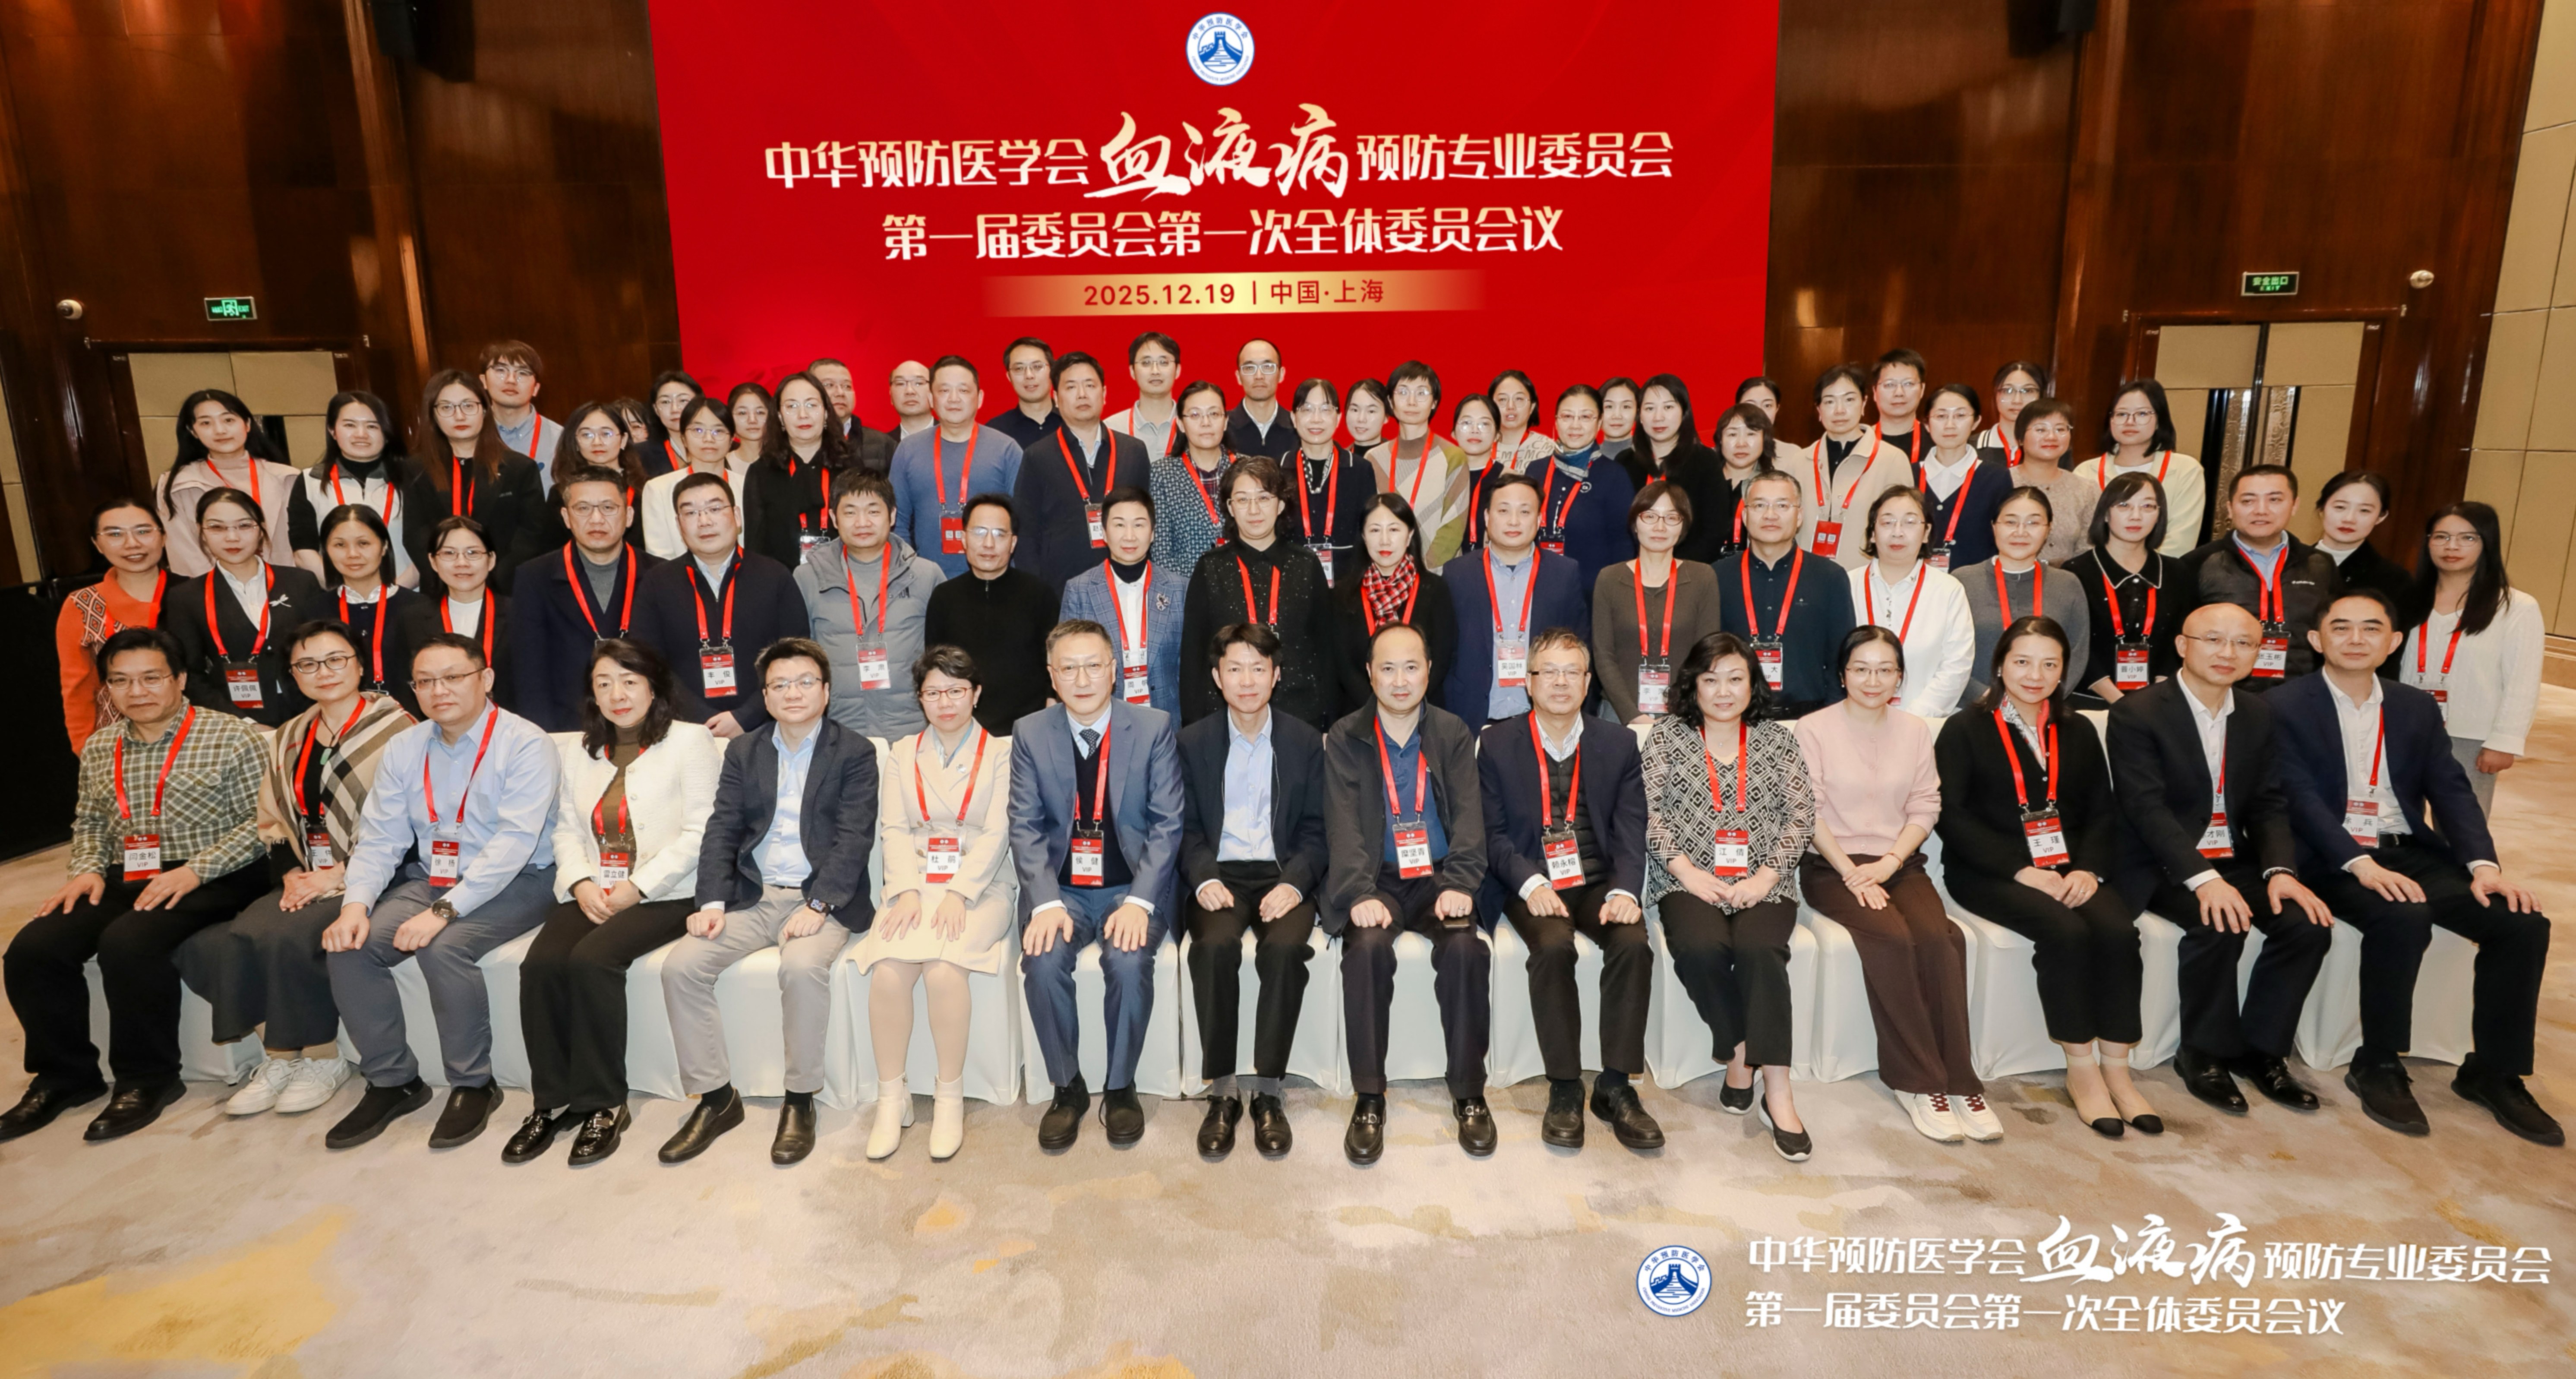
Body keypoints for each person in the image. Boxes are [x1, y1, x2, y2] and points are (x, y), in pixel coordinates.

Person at [2275, 591, 2558, 1143]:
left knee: (2521, 923)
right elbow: (2298, 798)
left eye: (2370, 628)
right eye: (2341, 627)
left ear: (2394, 641)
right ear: (2315, 639)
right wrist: (2359, 863)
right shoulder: (2282, 705)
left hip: (2405, 848)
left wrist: (2482, 864)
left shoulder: (2414, 706)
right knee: (2402, 914)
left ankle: (2493, 1071)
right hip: (2328, 856)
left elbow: (2450, 790)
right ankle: (2378, 1061)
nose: (2355, 638)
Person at [0, 628, 269, 1142]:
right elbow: (90, 822)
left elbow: (261, 824)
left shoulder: (232, 735)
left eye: (151, 677)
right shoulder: (101, 745)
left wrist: (196, 869)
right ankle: (64, 1076)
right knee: (34, 948)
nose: (137, 691)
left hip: (216, 872)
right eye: (121, 681)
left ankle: (148, 1078)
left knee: (128, 941)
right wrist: (86, 869)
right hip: (129, 872)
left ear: (180, 679)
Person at [318, 632, 561, 1149]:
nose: (439, 690)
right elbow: (380, 837)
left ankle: (473, 1084)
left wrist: (444, 910)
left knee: (443, 945)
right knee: (350, 945)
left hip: (523, 878)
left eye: (453, 677)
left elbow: (514, 843)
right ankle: (393, 1082)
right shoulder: (405, 747)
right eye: (425, 681)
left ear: (485, 679)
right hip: (432, 877)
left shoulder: (525, 742)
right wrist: (355, 905)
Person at [2106, 603, 2334, 1116]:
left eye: (2242, 642)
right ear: (2182, 645)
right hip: (2163, 861)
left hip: (2233, 856)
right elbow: (2146, 808)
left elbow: (2268, 802)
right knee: (2219, 920)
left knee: (2305, 924)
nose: (2227, 652)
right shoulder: (2137, 712)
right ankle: (2202, 1053)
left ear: (2258, 653)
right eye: (2212, 639)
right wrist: (2203, 878)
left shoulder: (2258, 713)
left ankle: (2263, 1051)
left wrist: (2280, 871)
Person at [177, 620, 410, 1120]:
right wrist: (290, 873)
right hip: (309, 873)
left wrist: (340, 874)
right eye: (307, 663)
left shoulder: (401, 729)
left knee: (290, 936)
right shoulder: (288, 735)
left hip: (381, 873)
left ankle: (323, 1059)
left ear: (360, 664)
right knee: (236, 936)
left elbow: (413, 823)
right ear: (293, 674)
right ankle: (281, 1059)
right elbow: (273, 820)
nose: (323, 672)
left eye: (336, 659)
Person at [657, 639, 876, 1166]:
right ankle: (716, 1099)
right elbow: (722, 829)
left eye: (805, 682)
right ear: (766, 694)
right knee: (681, 966)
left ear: (826, 691)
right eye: (780, 684)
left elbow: (853, 838)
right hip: (753, 897)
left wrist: (818, 905)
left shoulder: (854, 751)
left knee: (800, 968)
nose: (793, 692)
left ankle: (799, 1099)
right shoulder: (743, 751)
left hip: (819, 898)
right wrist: (711, 900)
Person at [1932, 616, 2153, 1136]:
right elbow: (1952, 816)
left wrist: (2089, 869)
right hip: (1990, 870)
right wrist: (2020, 870)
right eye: (2022, 662)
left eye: (2049, 664)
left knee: (2119, 930)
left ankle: (2117, 1069)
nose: (2035, 675)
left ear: (2064, 671)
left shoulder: (2078, 729)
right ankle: (2081, 1068)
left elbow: (2101, 810)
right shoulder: (1964, 728)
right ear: (2000, 665)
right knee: (2066, 931)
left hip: (2069, 868)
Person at [506, 639, 719, 1166]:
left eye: (629, 681)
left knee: (592, 959)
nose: (617, 694)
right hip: (596, 886)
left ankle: (604, 1102)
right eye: (604, 683)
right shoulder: (582, 749)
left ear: (653, 686)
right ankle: (551, 1101)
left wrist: (638, 886)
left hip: (668, 890)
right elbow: (565, 829)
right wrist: (580, 882)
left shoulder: (690, 741)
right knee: (541, 964)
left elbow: (701, 831)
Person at [1802, 628, 1992, 1143]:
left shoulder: (1914, 730)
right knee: (1891, 936)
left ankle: (1960, 1080)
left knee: (1941, 938)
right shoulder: (1812, 729)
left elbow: (1925, 805)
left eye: (1885, 669)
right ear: (1842, 674)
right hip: (1831, 866)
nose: (1873, 679)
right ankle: (1918, 1081)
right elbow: (1808, 812)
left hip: (1899, 862)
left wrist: (1889, 862)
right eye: (1861, 668)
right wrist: (1851, 871)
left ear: (1900, 678)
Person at [1479, 629, 1662, 1151]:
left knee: (1632, 943)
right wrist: (1530, 882)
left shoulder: (1617, 743)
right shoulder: (1497, 742)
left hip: (1597, 879)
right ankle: (1564, 1084)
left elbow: (1630, 828)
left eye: (1571, 672)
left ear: (1588, 682)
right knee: (1553, 946)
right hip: (1531, 879)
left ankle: (1615, 1084)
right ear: (1528, 681)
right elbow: (1492, 835)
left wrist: (1625, 890)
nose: (1560, 682)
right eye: (1549, 672)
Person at [1011, 619, 1185, 1151]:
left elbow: (1167, 824)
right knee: (1042, 962)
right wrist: (1044, 903)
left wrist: (1140, 901)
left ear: (1114, 670)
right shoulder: (1030, 732)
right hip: (1060, 890)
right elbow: (1025, 826)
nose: (1082, 679)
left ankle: (1121, 1084)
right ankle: (1067, 1087)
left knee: (1128, 961)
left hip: (1130, 885)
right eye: (1069, 668)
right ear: (1052, 675)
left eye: (1093, 665)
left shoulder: (1153, 726)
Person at [1641, 631, 1814, 1161]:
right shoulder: (1666, 737)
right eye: (1710, 679)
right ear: (1692, 685)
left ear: (1752, 683)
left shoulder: (1777, 739)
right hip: (1686, 879)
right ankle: (1739, 1051)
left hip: (1765, 879)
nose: (1723, 691)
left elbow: (1801, 816)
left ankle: (1777, 1091)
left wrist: (1764, 877)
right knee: (1700, 947)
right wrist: (1687, 872)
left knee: (1761, 950)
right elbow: (1647, 813)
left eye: (1735, 678)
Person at [1323, 621, 1492, 1162]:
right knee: (1367, 950)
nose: (1400, 680)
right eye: (1388, 668)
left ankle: (1468, 1091)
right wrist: (1357, 892)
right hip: (1375, 877)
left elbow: (1470, 818)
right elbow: (1342, 826)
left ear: (1429, 671)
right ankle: (1369, 1095)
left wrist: (1461, 882)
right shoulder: (1345, 735)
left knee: (1466, 948)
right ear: (1370, 674)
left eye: (1411, 667)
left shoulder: (1452, 732)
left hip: (1438, 876)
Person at [854, 645, 1015, 1162]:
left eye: (956, 690)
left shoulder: (1003, 752)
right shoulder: (902, 752)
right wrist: (904, 889)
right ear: (920, 698)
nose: (945, 702)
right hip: (915, 880)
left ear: (976, 694)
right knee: (887, 970)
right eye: (933, 692)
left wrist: (960, 892)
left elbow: (998, 833)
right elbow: (894, 828)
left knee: (944, 970)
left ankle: (949, 1096)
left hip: (981, 884)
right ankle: (892, 1096)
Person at [1178, 624, 1329, 1158]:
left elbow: (1318, 829)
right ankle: (1222, 1089)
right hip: (1219, 872)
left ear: (1277, 675)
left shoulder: (1304, 741)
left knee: (1285, 948)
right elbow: (1184, 827)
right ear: (1217, 677)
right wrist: (1204, 877)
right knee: (1214, 947)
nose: (1247, 680)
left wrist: (1294, 883)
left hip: (1280, 871)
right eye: (1235, 669)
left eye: (1259, 668)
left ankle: (1268, 1089)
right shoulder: (1192, 741)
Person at [629, 472, 812, 737]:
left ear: (737, 516)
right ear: (679, 525)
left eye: (715, 509)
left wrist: (746, 717)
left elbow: (796, 655)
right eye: (691, 513)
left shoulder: (775, 576)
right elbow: (648, 663)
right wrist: (701, 721)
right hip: (683, 732)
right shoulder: (657, 583)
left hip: (768, 729)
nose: (704, 521)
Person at [2397, 502, 2541, 813]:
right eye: (2442, 537)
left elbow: (2522, 682)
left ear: (2487, 543)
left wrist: (2504, 742)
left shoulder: (2516, 607)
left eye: (2468, 538)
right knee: (2400, 824)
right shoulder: (2406, 599)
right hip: (2404, 732)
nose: (2452, 547)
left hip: (2470, 739)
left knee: (2461, 829)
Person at [1181, 458, 1335, 730]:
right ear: (1231, 508)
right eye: (1243, 500)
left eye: (1264, 498)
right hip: (1226, 717)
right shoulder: (1211, 567)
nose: (1254, 510)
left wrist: (1331, 725)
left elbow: (1327, 650)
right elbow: (1194, 656)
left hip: (1300, 713)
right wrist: (1194, 728)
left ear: (1281, 504)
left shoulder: (1306, 564)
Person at [158, 487, 330, 729]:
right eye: (217, 528)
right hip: (238, 722)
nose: (232, 537)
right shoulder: (186, 597)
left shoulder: (301, 582)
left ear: (261, 529)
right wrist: (245, 724)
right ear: (201, 532)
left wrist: (321, 710)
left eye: (244, 526)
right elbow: (191, 676)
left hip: (314, 713)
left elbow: (326, 651)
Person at [795, 473, 945, 741]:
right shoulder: (807, 578)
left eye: (873, 511)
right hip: (839, 733)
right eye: (850, 512)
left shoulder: (926, 575)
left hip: (914, 732)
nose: (862, 522)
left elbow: (944, 660)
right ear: (834, 518)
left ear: (893, 515)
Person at [510, 467, 658, 733]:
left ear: (629, 516)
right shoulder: (534, 577)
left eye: (608, 508)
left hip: (649, 723)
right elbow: (530, 673)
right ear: (566, 517)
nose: (596, 519)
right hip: (569, 727)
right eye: (583, 509)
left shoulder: (659, 574)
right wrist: (545, 737)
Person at [2173, 463, 2341, 691]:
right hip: (2222, 695)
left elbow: (2333, 634)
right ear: (2230, 508)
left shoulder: (2320, 565)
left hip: (2302, 694)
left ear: (2294, 505)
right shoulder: (2197, 563)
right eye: (2248, 501)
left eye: (2275, 500)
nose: (2261, 510)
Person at [1442, 474, 1588, 726]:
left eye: (1525, 512)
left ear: (1539, 519)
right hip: (1470, 718)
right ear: (1487, 517)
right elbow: (1447, 653)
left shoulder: (1564, 574)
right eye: (1504, 511)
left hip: (1542, 719)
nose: (1514, 521)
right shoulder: (1457, 574)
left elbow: (1580, 648)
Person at [1715, 470, 1857, 719]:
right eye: (1760, 505)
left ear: (1799, 516)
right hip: (1735, 720)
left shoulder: (1830, 577)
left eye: (1782, 505)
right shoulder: (1717, 576)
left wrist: (1832, 720)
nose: (1770, 515)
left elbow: (1842, 658)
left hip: (1810, 721)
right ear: (1745, 516)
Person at [1013, 350, 1150, 592]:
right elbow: (1026, 534)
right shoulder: (1037, 456)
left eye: (1090, 385)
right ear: (1056, 398)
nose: (1082, 394)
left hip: (1127, 587)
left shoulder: (1133, 451)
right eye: (1071, 387)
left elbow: (1148, 523)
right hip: (1059, 590)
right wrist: (1037, 594)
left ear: (1104, 394)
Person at [924, 494, 1060, 734]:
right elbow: (935, 669)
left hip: (1030, 729)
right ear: (964, 539)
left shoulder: (1040, 595)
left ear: (1013, 543)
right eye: (979, 532)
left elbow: (1055, 660)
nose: (989, 544)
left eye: (999, 534)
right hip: (963, 730)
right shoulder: (944, 598)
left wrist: (1051, 704)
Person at [1594, 482, 1721, 724]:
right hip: (1618, 714)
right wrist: (1632, 716)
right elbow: (1603, 655)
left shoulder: (1703, 577)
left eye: (1672, 517)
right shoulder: (1609, 579)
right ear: (1635, 523)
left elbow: (1707, 654)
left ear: (1683, 526)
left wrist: (1680, 713)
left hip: (1684, 715)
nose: (1660, 527)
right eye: (1650, 516)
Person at [1954, 487, 2091, 703]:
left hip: (2043, 710)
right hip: (1973, 710)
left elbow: (2077, 652)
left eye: (2033, 523)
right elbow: (1948, 654)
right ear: (1994, 526)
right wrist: (1989, 699)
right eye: (2011, 522)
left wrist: (2043, 701)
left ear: (2048, 530)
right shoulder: (1963, 581)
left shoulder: (2067, 584)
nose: (2021, 532)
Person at [893, 357, 1026, 579]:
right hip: (926, 582)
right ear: (931, 399)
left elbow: (1023, 523)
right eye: (944, 391)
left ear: (980, 398)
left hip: (994, 579)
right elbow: (897, 523)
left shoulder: (1006, 449)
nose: (954, 399)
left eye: (963, 391)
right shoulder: (908, 450)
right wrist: (911, 573)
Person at [412, 370, 545, 592]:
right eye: (446, 407)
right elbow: (415, 534)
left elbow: (531, 535)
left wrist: (492, 579)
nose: (459, 416)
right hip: (440, 590)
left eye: (468, 406)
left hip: (505, 589)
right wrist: (448, 577)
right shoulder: (416, 469)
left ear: (484, 410)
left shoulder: (520, 468)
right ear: (433, 414)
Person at [1847, 486, 1974, 716]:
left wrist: (1912, 720)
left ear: (1926, 533)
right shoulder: (1846, 585)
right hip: (1855, 720)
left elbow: (1956, 667)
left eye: (1910, 522)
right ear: (1872, 533)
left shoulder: (1948, 590)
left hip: (1925, 724)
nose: (1898, 532)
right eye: (1887, 523)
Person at [2063, 472, 2184, 706]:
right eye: (2124, 505)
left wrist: (2156, 698)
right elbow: (2075, 645)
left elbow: (2179, 641)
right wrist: (2121, 702)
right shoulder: (2076, 572)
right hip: (2089, 702)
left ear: (2159, 515)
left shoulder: (2177, 572)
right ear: (2106, 513)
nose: (2136, 516)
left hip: (2159, 703)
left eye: (2148, 506)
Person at [1061, 486, 1181, 719]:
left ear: (1153, 533)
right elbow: (1067, 662)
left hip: (1167, 719)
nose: (1129, 536)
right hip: (1101, 718)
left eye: (1139, 525)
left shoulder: (1178, 589)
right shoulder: (1079, 590)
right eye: (1119, 525)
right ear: (1104, 533)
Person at [60, 500, 170, 751]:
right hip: (116, 744)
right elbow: (77, 691)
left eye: (143, 531)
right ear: (97, 544)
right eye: (115, 535)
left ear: (163, 536)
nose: (132, 544)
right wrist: (86, 751)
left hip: (198, 739)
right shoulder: (82, 604)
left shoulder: (195, 593)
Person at [290, 391, 430, 589]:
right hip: (337, 599)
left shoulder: (415, 479)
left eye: (372, 426)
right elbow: (304, 552)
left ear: (387, 433)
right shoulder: (309, 481)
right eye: (350, 425)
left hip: (408, 595)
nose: (361, 434)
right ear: (332, 430)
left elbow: (430, 547)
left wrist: (395, 593)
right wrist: (346, 592)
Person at [1333, 493, 1458, 715]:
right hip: (1360, 715)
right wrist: (1378, 708)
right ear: (1363, 537)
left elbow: (1440, 660)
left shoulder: (1435, 589)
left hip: (1422, 712)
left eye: (1394, 530)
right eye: (1375, 530)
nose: (1385, 540)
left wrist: (1406, 704)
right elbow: (1343, 665)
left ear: (1409, 536)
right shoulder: (1343, 595)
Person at [156, 389, 299, 577]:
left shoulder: (288, 478)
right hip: (212, 589)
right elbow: (185, 556)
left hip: (285, 585)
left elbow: (302, 547)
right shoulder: (177, 486)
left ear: (248, 424)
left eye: (229, 420)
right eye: (206, 423)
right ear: (193, 431)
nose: (220, 430)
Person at [392, 515, 509, 717]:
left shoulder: (520, 614)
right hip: (436, 728)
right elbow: (405, 687)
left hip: (508, 728)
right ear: (433, 561)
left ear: (491, 560)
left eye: (473, 553)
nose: (461, 563)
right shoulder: (411, 619)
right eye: (449, 553)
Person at [2074, 381, 2208, 557]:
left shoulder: (2186, 470)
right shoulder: (2085, 472)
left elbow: (2180, 541)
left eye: (2142, 414)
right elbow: (2080, 536)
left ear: (2160, 420)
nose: (2130, 422)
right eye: (2122, 414)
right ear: (2111, 420)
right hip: (2096, 569)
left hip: (2161, 569)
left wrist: (2142, 568)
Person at [741, 373, 860, 567]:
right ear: (780, 417)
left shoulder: (851, 467)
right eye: (792, 406)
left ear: (826, 413)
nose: (803, 415)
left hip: (843, 575)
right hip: (781, 579)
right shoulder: (762, 471)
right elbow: (755, 544)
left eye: (812, 405)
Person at [1799, 365, 1908, 569]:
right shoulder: (1799, 461)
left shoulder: (1892, 459)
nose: (1839, 410)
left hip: (1865, 576)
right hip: (1805, 575)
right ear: (1819, 410)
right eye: (1829, 401)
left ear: (1864, 403)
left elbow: (1903, 528)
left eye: (1849, 400)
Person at [1530, 385, 1638, 590]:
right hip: (1538, 588)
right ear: (1556, 422)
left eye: (1586, 417)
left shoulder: (1614, 475)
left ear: (1599, 423)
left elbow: (1623, 545)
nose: (1575, 425)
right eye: (1567, 416)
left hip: (1593, 592)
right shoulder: (1535, 470)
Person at [1367, 361, 1471, 566]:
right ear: (1390, 401)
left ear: (1434, 402)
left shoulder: (1453, 456)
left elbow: (1453, 527)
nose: (1412, 401)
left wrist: (1421, 573)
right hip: (1385, 573)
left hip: (1437, 575)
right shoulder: (1374, 459)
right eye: (1403, 392)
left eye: (1422, 393)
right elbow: (1368, 523)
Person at [1619, 375, 1730, 564]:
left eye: (1668, 407)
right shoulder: (1625, 462)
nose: (1658, 417)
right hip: (1633, 570)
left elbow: (1715, 529)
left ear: (1684, 412)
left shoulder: (1705, 461)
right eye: (1650, 408)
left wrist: (1675, 569)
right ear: (1640, 416)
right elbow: (1616, 528)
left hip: (1689, 570)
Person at [1279, 377, 1378, 586]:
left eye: (1325, 410)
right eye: (1307, 410)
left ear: (1338, 418)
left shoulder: (1360, 469)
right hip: (1289, 581)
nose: (1316, 419)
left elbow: (1369, 531)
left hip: (1348, 585)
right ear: (1294, 418)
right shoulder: (1277, 469)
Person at [314, 503, 419, 700]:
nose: (353, 554)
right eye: (340, 545)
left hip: (408, 716)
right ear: (326, 551)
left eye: (363, 543)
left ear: (384, 546)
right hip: (339, 716)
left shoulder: (419, 608)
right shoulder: (313, 612)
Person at [1913, 384, 2014, 571]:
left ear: (1976, 422)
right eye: (1941, 416)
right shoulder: (1908, 474)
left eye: (1960, 415)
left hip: (1977, 584)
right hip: (1915, 582)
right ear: (1926, 424)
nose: (1950, 425)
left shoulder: (1997, 478)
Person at [641, 395, 751, 560]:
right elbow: (659, 556)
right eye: (698, 431)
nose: (709, 439)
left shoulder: (748, 486)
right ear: (684, 438)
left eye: (718, 431)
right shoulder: (658, 489)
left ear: (731, 440)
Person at [540, 402, 651, 562]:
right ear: (575, 443)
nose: (597, 442)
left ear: (624, 440)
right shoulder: (561, 493)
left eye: (606, 434)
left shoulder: (647, 489)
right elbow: (553, 550)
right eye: (587, 435)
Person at [1149, 379, 1237, 577]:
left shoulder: (1246, 469)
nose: (1206, 423)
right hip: (1184, 588)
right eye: (1195, 415)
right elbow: (1161, 553)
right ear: (1181, 424)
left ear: (1225, 421)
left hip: (1244, 585)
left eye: (1214, 414)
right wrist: (1199, 582)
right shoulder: (1162, 474)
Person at [1998, 398, 2096, 565]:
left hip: (2068, 579)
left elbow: (2088, 550)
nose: (2051, 437)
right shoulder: (2000, 482)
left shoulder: (2087, 490)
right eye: (2041, 429)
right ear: (2020, 438)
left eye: (2060, 429)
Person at [2312, 471, 2411, 601]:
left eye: (2364, 511)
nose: (2349, 519)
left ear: (2381, 517)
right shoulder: (2292, 562)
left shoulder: (2395, 581)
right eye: (2340, 507)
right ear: (2322, 507)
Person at [480, 342, 562, 493]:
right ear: (484, 381)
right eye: (501, 370)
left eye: (523, 373)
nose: (511, 380)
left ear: (536, 388)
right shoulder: (466, 435)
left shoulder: (561, 440)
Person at [1704, 402, 1771, 562]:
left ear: (1765, 439)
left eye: (1751, 434)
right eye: (1732, 434)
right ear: (1720, 440)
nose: (1742, 443)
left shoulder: (1773, 486)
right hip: (1702, 569)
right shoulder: (1703, 482)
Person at [807, 357, 896, 471]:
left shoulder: (884, 444)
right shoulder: (796, 442)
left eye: (847, 386)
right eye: (829, 385)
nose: (840, 393)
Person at [1104, 332, 1182, 458]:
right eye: (1146, 363)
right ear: (1132, 371)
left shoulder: (1194, 424)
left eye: (1163, 362)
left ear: (1177, 370)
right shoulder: (1111, 428)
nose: (1155, 371)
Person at [1447, 395, 1508, 555]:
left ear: (1497, 436)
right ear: (1453, 433)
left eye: (1484, 424)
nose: (1475, 430)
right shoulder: (1440, 478)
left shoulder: (1510, 481)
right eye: (1466, 423)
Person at [1225, 338, 1296, 460]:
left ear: (1281, 374)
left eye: (1268, 367)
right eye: (1249, 368)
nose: (1259, 376)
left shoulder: (1298, 428)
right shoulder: (1222, 428)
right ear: (1238, 377)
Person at [990, 337, 1061, 450]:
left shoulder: (1075, 422)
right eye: (1019, 369)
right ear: (1009, 377)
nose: (1029, 375)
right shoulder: (995, 432)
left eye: (1037, 367)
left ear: (1052, 371)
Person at [1487, 369, 1560, 474]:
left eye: (1519, 399)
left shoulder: (1548, 449)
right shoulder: (1480, 446)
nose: (1511, 406)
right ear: (1490, 407)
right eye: (1503, 400)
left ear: (1532, 407)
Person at [1974, 361, 2047, 464]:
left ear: (2041, 396)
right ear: (1996, 395)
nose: (2017, 401)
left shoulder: (2053, 446)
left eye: (2027, 391)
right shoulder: (1969, 447)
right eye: (2008, 391)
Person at [1869, 348, 1932, 465]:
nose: (1899, 393)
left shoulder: (1937, 441)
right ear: (1875, 392)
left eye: (1908, 384)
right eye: (1890, 385)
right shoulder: (1861, 441)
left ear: (1922, 390)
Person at [1734, 375, 1807, 467]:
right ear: (1737, 410)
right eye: (1751, 405)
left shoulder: (1794, 455)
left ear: (1777, 409)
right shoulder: (1723, 452)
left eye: (1767, 406)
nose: (1760, 412)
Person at [641, 370, 703, 477]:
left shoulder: (722, 445)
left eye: (683, 400)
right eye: (666, 402)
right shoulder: (642, 454)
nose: (675, 409)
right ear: (656, 409)